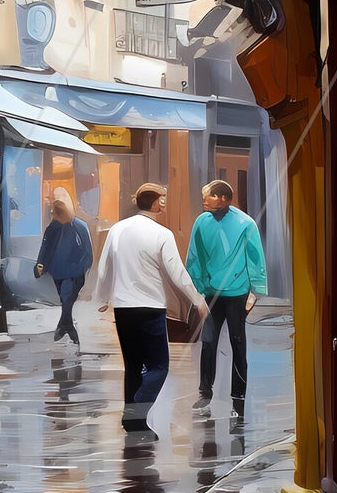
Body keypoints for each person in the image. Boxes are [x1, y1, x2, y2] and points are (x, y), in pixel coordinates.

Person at [94, 183, 208, 436]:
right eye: (163, 199)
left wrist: (102, 297)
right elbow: (177, 272)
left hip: (123, 308)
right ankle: (135, 413)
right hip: (151, 307)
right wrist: (197, 300)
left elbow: (105, 266)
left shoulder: (117, 229)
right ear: (155, 203)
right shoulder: (162, 234)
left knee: (133, 365)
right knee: (159, 367)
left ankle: (134, 422)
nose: (165, 203)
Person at [186, 178, 267, 415]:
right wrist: (198, 289)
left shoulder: (245, 223)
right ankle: (204, 391)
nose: (203, 200)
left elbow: (255, 258)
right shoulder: (201, 222)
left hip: (237, 294)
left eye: (208, 196)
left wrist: (255, 293)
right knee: (208, 341)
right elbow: (195, 256)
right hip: (211, 293)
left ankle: (238, 396)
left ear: (222, 198)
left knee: (237, 342)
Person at [35, 188, 93, 346]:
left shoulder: (79, 226)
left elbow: (87, 251)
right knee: (65, 299)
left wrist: (82, 266)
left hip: (74, 272)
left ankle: (64, 327)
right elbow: (45, 247)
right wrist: (40, 264)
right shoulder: (53, 227)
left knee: (67, 298)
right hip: (58, 271)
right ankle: (66, 326)